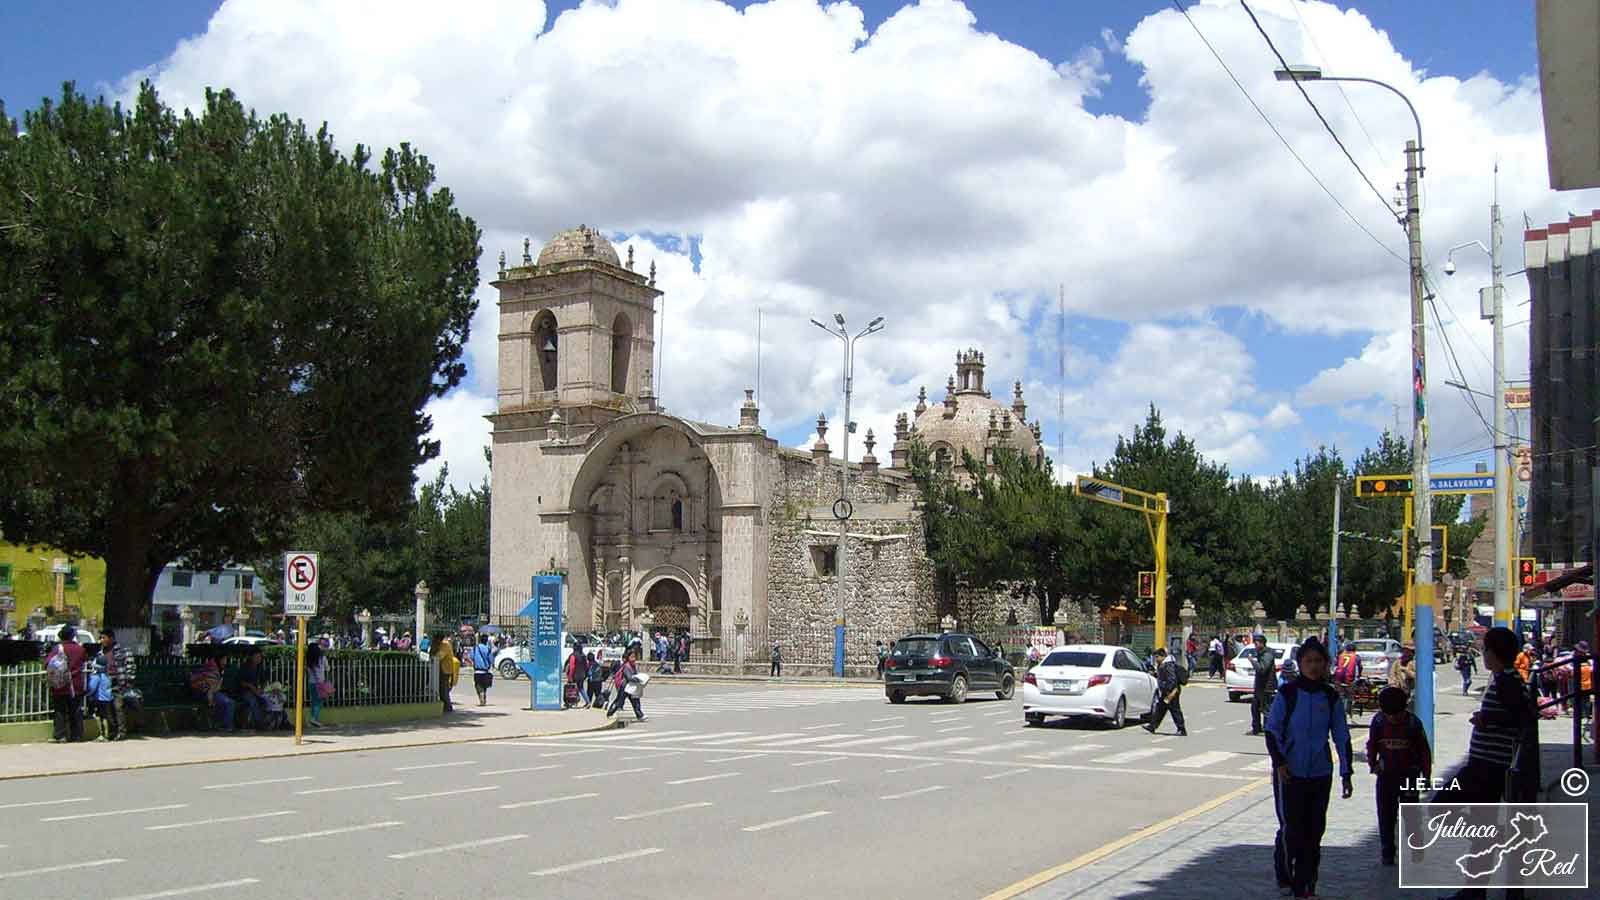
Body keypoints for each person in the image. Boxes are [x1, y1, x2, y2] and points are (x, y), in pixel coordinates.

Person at [1430, 627, 1537, 900]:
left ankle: (1495, 838)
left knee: (1439, 808)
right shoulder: (1503, 678)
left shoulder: (1507, 682)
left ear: (1494, 653)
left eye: (1486, 650)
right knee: (1479, 829)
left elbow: (1521, 719)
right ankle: (1474, 891)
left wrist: (1486, 720)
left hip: (1487, 766)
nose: (1484, 654)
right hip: (1484, 762)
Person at [1264, 637, 1354, 899]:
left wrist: (1346, 773)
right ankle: (1286, 875)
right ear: (1300, 664)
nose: (1313, 666)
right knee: (1292, 829)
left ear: (1326, 664)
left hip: (1320, 773)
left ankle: (1305, 885)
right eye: (1308, 661)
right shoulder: (1288, 693)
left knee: (1314, 832)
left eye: (1318, 661)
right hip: (1289, 774)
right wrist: (1280, 763)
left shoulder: (1330, 696)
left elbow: (1341, 735)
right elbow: (1272, 731)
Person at [1366, 686, 1430, 866]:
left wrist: (1425, 776)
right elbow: (1372, 745)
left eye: (1397, 714)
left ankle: (1416, 849)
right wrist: (1373, 763)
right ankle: (1387, 851)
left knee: (1411, 815)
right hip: (1386, 777)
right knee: (1386, 815)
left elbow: (1424, 752)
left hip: (1409, 775)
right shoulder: (1378, 722)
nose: (1393, 718)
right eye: (1389, 714)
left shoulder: (1413, 724)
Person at [99, 630, 134, 741]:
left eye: (104, 637)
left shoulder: (123, 650)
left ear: (111, 638)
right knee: (108, 708)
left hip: (118, 683)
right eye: (101, 638)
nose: (102, 640)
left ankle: (121, 731)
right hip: (105, 683)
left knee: (118, 708)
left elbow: (130, 666)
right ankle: (112, 731)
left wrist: (128, 682)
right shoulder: (101, 652)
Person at [1143, 648, 1186, 736]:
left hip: (1171, 692)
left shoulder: (1168, 665)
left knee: (1175, 710)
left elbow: (1172, 679)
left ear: (1163, 656)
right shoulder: (1163, 664)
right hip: (1166, 692)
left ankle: (1181, 729)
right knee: (1160, 709)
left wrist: (1169, 691)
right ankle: (1152, 726)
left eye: (1157, 657)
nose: (1156, 659)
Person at [1249, 634, 1279, 736]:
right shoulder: (1261, 653)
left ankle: (1268, 729)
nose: (1255, 646)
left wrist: (1252, 661)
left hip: (1267, 687)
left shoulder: (1267, 654)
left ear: (1262, 643)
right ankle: (1256, 728)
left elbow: (1262, 669)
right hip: (1260, 687)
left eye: (1256, 643)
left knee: (1266, 709)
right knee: (1255, 707)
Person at [607, 646, 646, 721]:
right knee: (619, 702)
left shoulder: (632, 665)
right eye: (632, 657)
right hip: (624, 687)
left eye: (634, 657)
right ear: (628, 658)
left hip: (631, 687)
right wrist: (638, 679)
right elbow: (629, 677)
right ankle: (610, 713)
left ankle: (640, 715)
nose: (634, 658)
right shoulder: (626, 666)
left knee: (635, 701)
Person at [236, 649, 266, 729]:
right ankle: (259, 724)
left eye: (260, 657)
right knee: (253, 701)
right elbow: (240, 682)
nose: (259, 658)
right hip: (244, 691)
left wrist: (261, 689)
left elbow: (263, 681)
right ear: (252, 657)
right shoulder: (244, 667)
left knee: (268, 700)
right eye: (257, 657)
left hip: (256, 691)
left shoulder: (260, 667)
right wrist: (250, 686)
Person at [87, 657, 115, 741]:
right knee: (107, 716)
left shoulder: (96, 676)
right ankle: (109, 734)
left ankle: (102, 735)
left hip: (100, 699)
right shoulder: (107, 675)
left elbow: (92, 688)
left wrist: (87, 694)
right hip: (108, 698)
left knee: (101, 717)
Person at [305, 640, 329, 727]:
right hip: (320, 682)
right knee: (318, 702)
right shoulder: (322, 658)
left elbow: (308, 670)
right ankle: (314, 719)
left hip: (311, 682)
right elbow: (327, 668)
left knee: (314, 701)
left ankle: (313, 719)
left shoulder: (309, 660)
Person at [433, 634, 458, 712]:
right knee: (441, 689)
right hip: (442, 669)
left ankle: (447, 707)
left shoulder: (445, 645)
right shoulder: (441, 645)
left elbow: (439, 656)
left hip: (445, 670)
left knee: (444, 690)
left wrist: (432, 657)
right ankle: (445, 706)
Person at [471, 633, 495, 706]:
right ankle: (483, 695)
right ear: (486, 641)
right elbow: (491, 659)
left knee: (478, 685)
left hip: (477, 671)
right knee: (484, 686)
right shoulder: (487, 649)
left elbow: (471, 657)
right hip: (485, 671)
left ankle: (481, 695)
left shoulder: (475, 648)